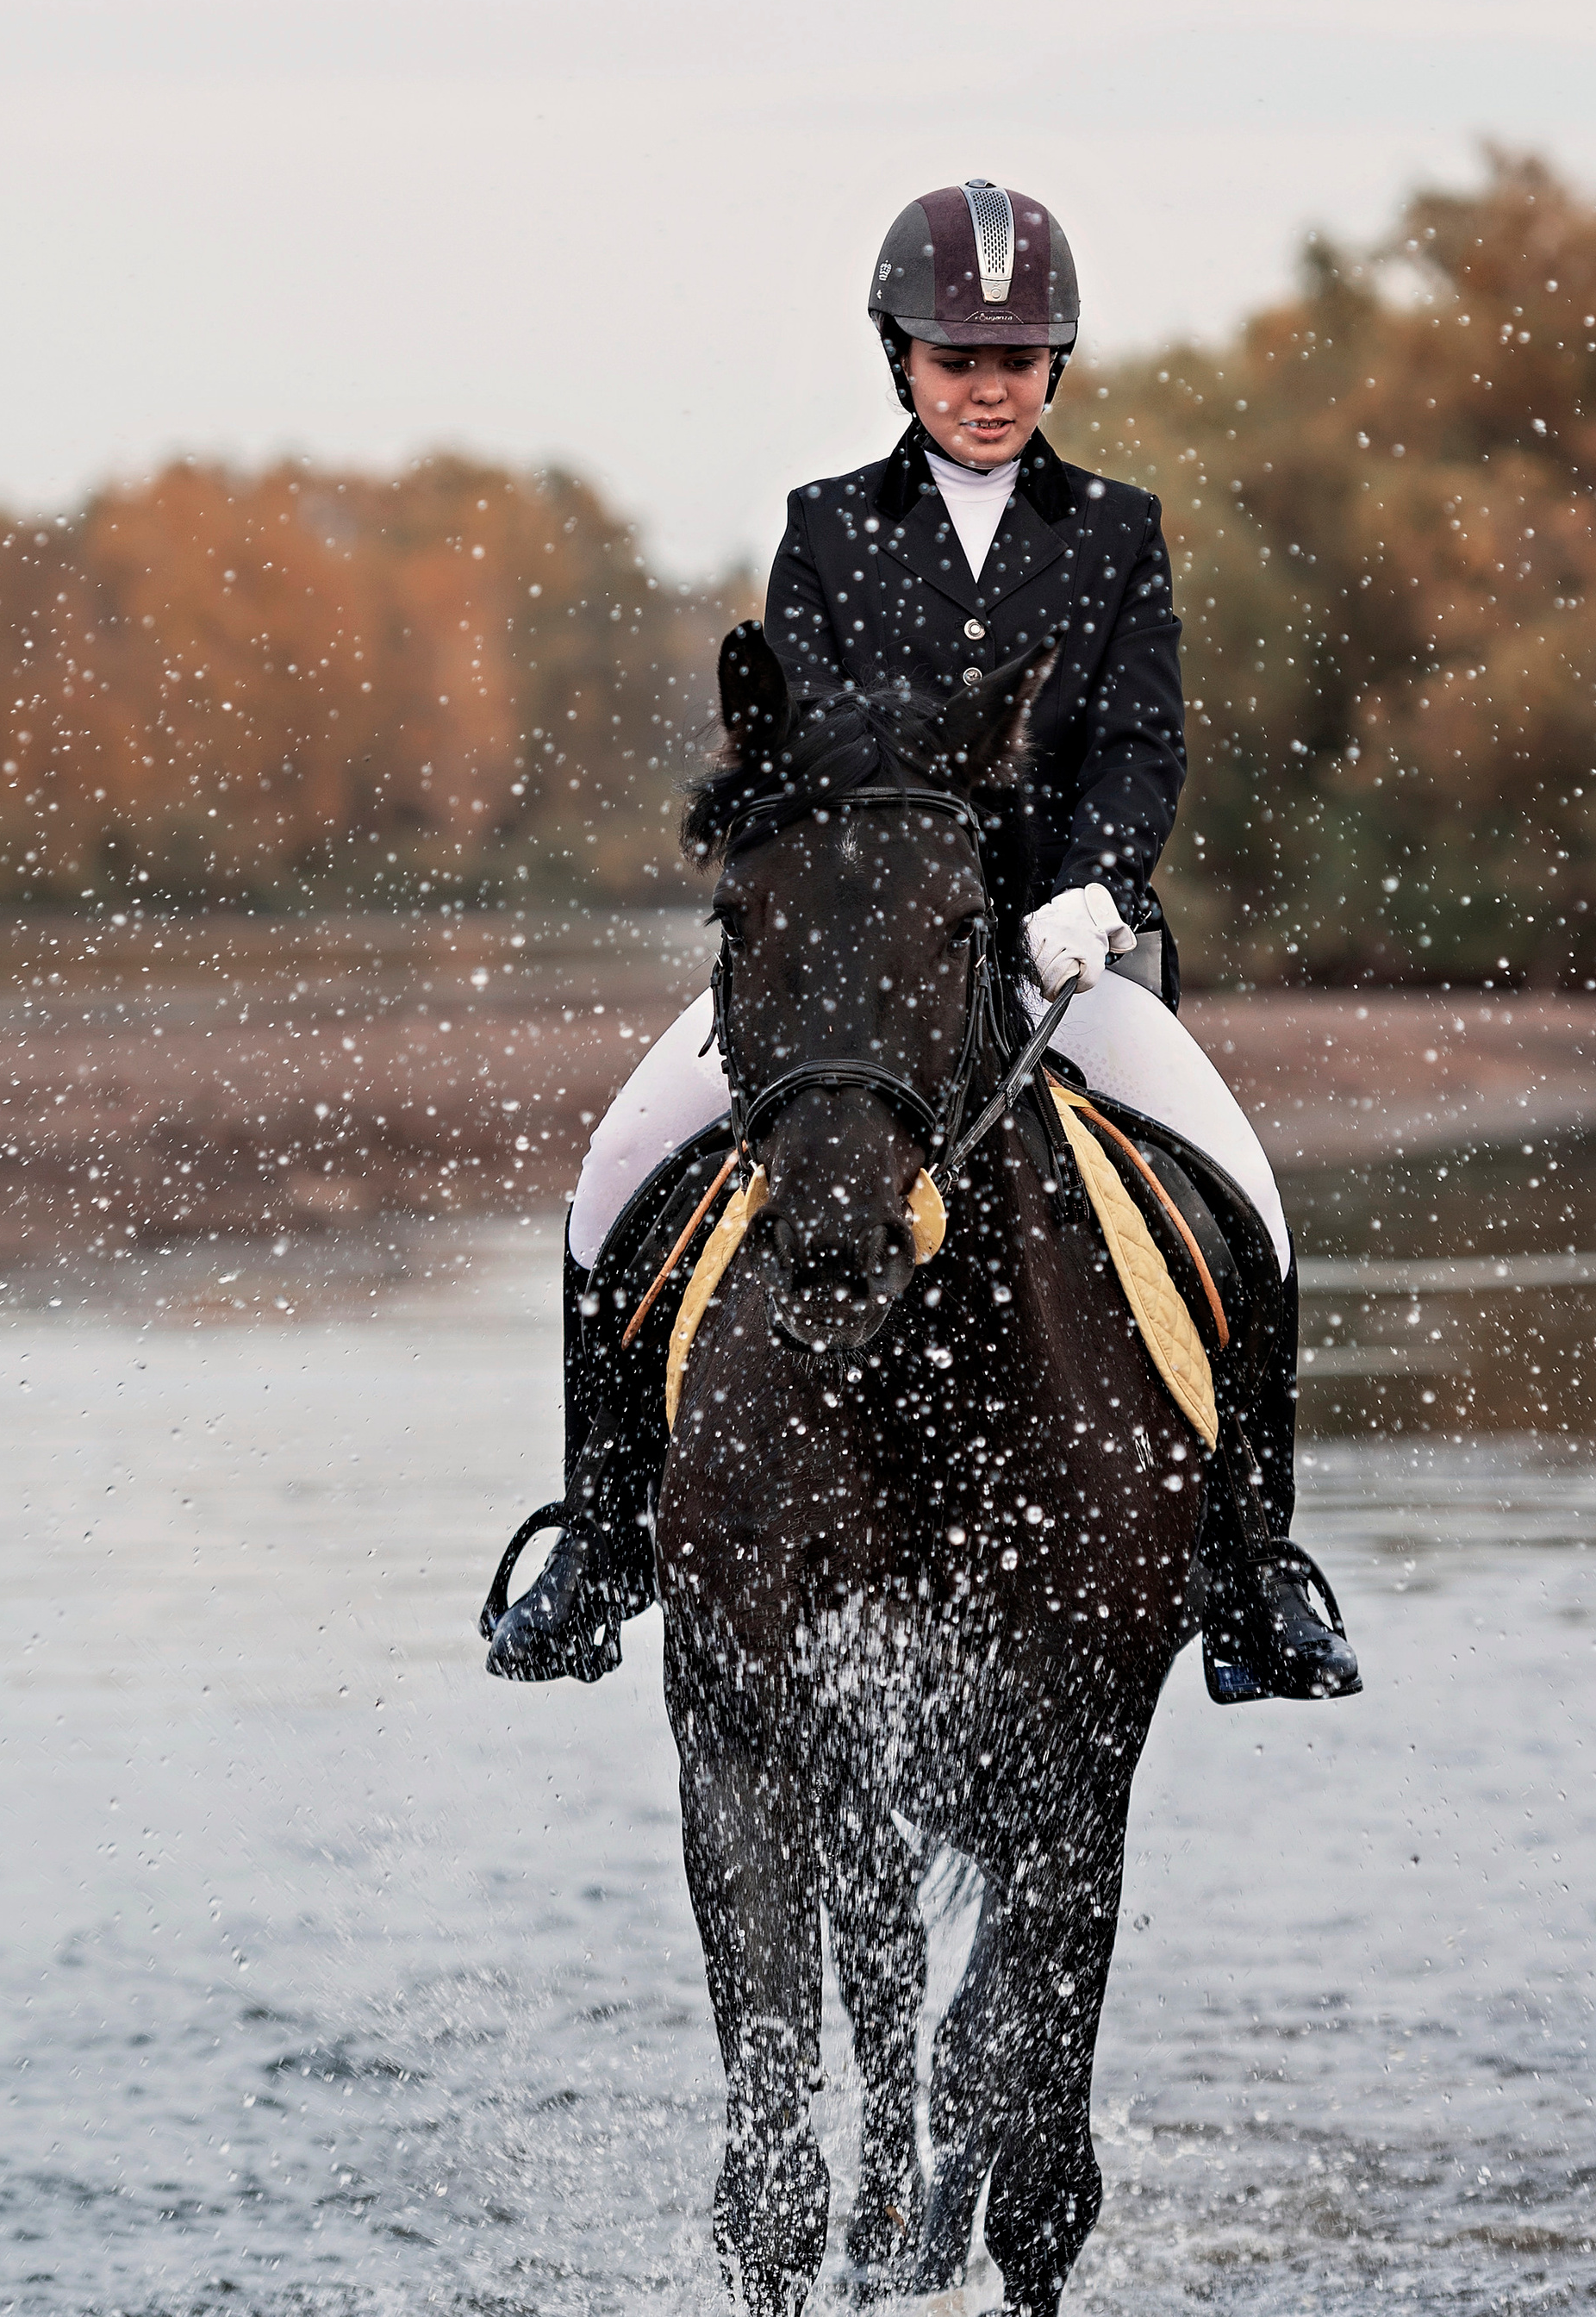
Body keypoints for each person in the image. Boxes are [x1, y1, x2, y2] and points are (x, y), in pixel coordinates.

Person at [487, 178, 1359, 1703]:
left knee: (1252, 1204)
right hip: (845, 977)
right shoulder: (827, 531)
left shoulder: (1116, 535)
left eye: (1017, 361)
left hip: (1048, 961)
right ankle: (601, 1535)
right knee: (612, 1176)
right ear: (900, 356)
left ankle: (1250, 1562)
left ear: (1055, 368)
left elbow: (1140, 745)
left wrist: (1093, 885)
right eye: (959, 359)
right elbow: (795, 758)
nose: (987, 388)